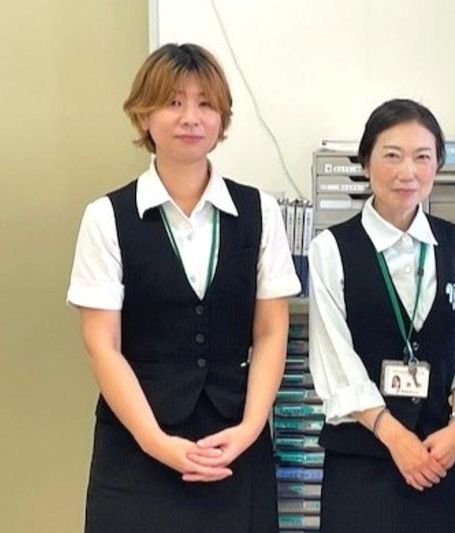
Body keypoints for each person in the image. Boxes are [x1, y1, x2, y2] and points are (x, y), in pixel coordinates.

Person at [67, 43, 300, 532]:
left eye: (205, 104)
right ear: (143, 114)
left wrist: (250, 428)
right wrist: (155, 441)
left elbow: (271, 332)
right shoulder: (106, 217)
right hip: (136, 444)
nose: (191, 117)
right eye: (174, 102)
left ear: (222, 118)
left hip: (235, 440)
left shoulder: (260, 212)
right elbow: (102, 345)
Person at [308, 98, 455, 533]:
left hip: (440, 454)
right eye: (392, 155)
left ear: (437, 165)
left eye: (422, 157)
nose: (407, 172)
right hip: (363, 459)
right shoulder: (331, 249)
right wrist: (395, 438)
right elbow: (334, 359)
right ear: (365, 162)